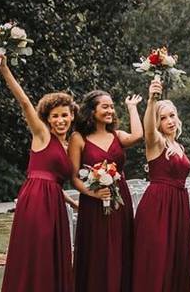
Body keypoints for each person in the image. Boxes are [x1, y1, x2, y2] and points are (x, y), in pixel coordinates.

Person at [0, 55, 78, 292]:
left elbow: (56, 182)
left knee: (52, 253)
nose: (61, 120)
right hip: (35, 199)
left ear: (72, 116)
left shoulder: (70, 145)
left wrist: (73, 202)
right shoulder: (42, 135)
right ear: (48, 119)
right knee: (37, 249)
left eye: (65, 115)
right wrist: (4, 69)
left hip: (55, 202)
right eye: (55, 116)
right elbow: (24, 102)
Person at [70, 89, 143, 292]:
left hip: (120, 201)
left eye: (112, 106)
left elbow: (138, 135)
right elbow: (74, 177)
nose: (110, 110)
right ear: (92, 111)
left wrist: (132, 108)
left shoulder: (117, 135)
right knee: (97, 250)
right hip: (93, 203)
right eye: (105, 106)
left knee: (120, 247)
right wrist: (93, 193)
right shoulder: (78, 138)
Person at [131, 78, 190, 292]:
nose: (169, 121)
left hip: (179, 204)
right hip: (158, 205)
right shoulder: (156, 141)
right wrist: (151, 100)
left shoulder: (179, 146)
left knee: (175, 258)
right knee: (157, 258)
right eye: (163, 117)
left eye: (172, 116)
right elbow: (148, 129)